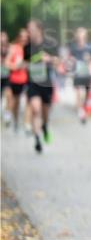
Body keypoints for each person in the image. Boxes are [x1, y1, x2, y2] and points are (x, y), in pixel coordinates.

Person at [24, 20, 57, 153]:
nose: (29, 32)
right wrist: (25, 65)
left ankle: (44, 126)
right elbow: (24, 63)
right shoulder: (27, 47)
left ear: (39, 30)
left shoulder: (49, 44)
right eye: (28, 29)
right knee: (35, 109)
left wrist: (49, 59)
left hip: (47, 83)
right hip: (32, 83)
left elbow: (58, 60)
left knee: (45, 113)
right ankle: (37, 138)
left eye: (31, 29)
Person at [67, 26, 91, 123]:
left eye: (82, 35)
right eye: (79, 34)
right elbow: (70, 60)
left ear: (85, 36)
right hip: (77, 73)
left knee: (86, 94)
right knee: (79, 92)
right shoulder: (73, 48)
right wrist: (71, 64)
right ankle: (81, 111)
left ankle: (82, 108)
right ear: (76, 36)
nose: (80, 37)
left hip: (87, 74)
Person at [5, 29, 28, 132]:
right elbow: (6, 63)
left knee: (18, 102)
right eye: (22, 37)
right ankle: (8, 115)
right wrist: (16, 66)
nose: (24, 39)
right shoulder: (14, 48)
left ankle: (16, 121)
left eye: (26, 37)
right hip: (12, 79)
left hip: (23, 80)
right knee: (10, 99)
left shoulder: (28, 50)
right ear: (18, 37)